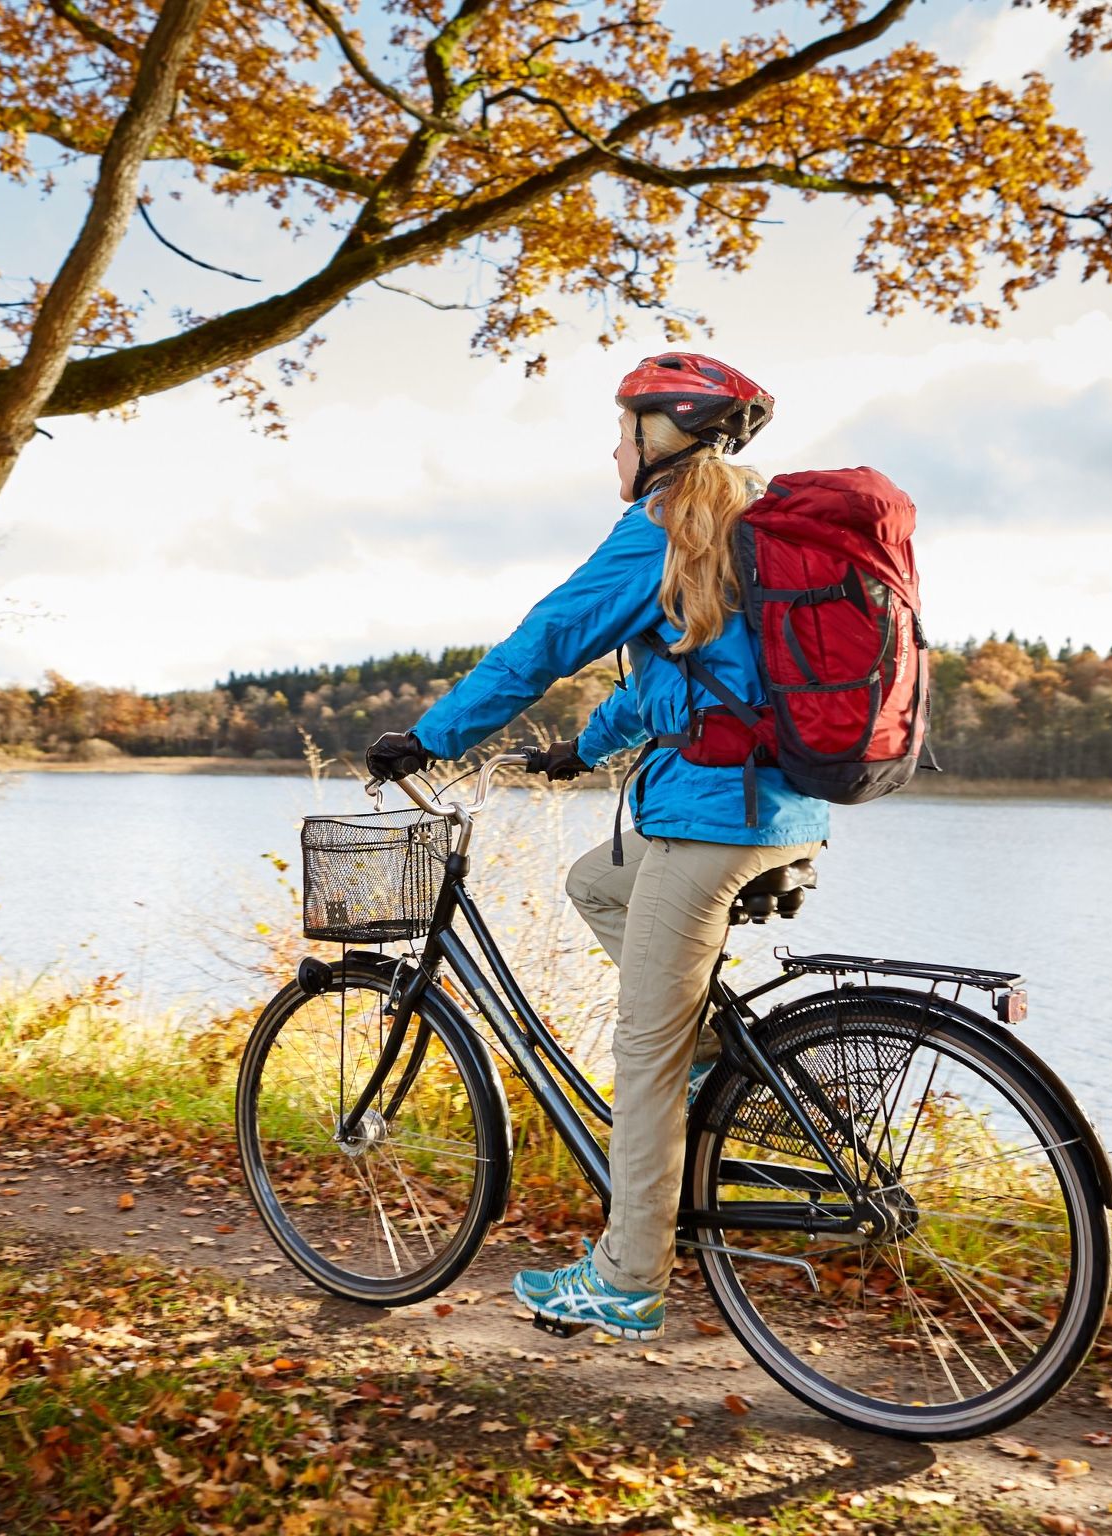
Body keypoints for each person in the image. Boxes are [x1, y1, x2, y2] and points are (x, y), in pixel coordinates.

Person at [363, 352, 830, 1339]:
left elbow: (546, 639)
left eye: (622, 429)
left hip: (713, 816)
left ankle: (624, 1279)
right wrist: (584, 748)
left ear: (660, 437)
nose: (611, 447)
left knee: (640, 1054)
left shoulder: (664, 525)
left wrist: (432, 735)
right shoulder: (739, 519)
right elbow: (677, 679)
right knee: (594, 881)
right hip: (777, 807)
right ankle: (721, 1068)